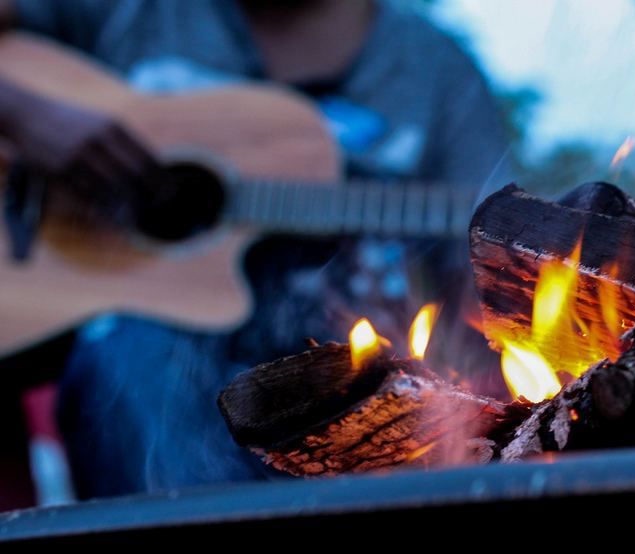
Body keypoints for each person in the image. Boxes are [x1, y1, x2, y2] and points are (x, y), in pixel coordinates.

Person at [0, 0, 515, 497]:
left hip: (351, 369)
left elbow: (488, 268)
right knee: (134, 365)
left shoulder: (435, 68)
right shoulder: (134, 9)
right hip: (143, 355)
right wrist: (24, 115)